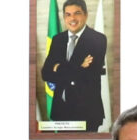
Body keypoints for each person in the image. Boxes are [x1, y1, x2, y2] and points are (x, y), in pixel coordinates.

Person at [41, 0, 107, 132]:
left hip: (86, 112)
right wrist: (79, 66)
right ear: (64, 17)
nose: (72, 18)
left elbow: (87, 74)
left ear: (86, 15)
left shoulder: (98, 39)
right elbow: (46, 73)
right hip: (61, 111)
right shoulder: (58, 39)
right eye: (68, 14)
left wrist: (58, 68)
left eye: (77, 13)